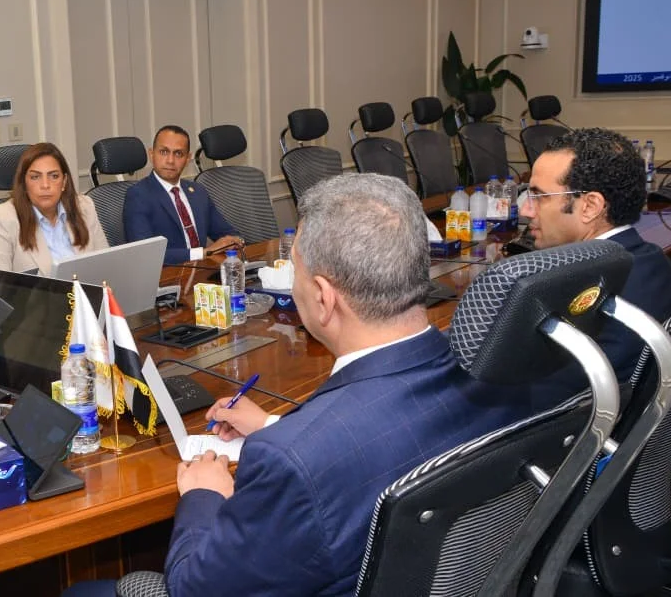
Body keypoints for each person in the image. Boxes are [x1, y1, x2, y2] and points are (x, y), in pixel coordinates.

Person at [67, 174, 541, 597]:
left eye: (295, 270)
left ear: (322, 297)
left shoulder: (293, 461)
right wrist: (275, 425)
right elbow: (378, 435)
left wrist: (203, 495)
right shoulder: (507, 380)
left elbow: (194, 588)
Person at [523, 127, 671, 398]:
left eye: (538, 197)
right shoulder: (653, 262)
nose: (525, 210)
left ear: (590, 206)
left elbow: (546, 397)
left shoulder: (598, 294)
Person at [0, 142, 108, 279]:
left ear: (64, 182)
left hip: (86, 292)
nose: (45, 185)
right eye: (35, 177)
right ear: (24, 183)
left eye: (54, 176)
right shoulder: (2, 219)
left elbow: (106, 265)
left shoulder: (84, 206)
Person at [122, 125, 242, 265]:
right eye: (164, 152)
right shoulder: (138, 195)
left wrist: (235, 241)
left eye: (178, 154)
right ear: (151, 154)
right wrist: (204, 253)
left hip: (203, 271)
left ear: (187, 158)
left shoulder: (198, 191)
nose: (170, 160)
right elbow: (146, 253)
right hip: (168, 274)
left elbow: (227, 233)